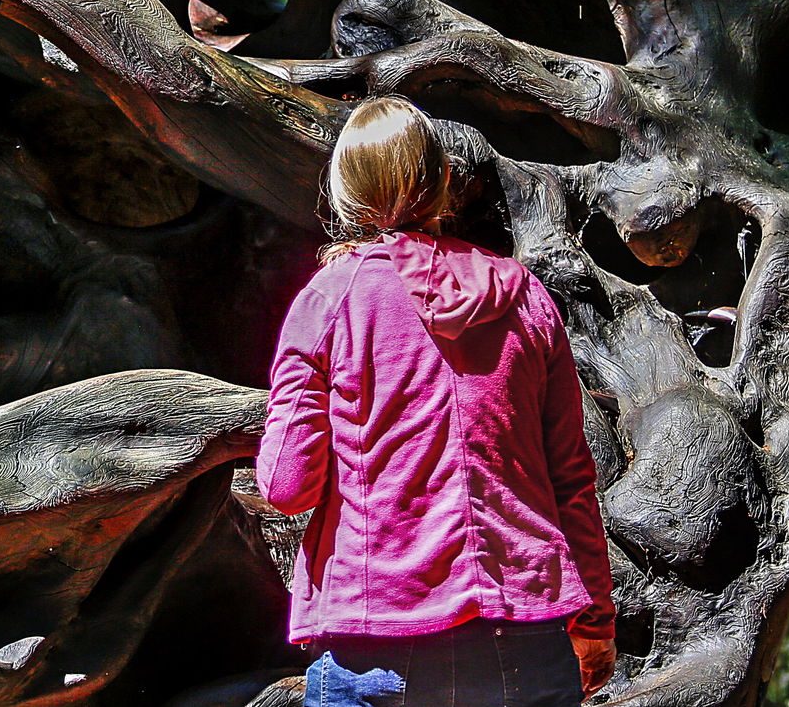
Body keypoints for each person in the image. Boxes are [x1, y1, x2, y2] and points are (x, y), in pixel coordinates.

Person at [259, 96, 617, 706]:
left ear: (344, 197)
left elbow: (286, 485)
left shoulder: (328, 302)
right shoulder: (526, 299)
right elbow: (572, 479)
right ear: (445, 181)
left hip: (375, 636)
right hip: (526, 635)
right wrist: (595, 620)